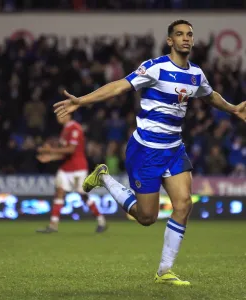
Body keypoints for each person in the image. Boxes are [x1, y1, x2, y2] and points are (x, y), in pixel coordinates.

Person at [52, 19, 246, 285]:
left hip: (174, 148)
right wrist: (82, 101)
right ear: (170, 41)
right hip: (145, 151)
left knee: (184, 204)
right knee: (146, 217)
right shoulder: (155, 68)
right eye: (179, 34)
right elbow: (119, 85)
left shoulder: (196, 74)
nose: (186, 38)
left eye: (189, 34)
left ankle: (164, 271)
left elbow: (209, 95)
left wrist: (234, 108)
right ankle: (105, 177)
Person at [36, 114, 107, 233]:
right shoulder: (65, 130)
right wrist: (50, 157)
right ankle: (53, 225)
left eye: (61, 114)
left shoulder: (75, 128)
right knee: (59, 192)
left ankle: (101, 220)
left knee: (83, 195)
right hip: (66, 167)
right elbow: (65, 153)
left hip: (78, 167)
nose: (58, 117)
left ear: (68, 115)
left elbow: (71, 150)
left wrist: (50, 150)